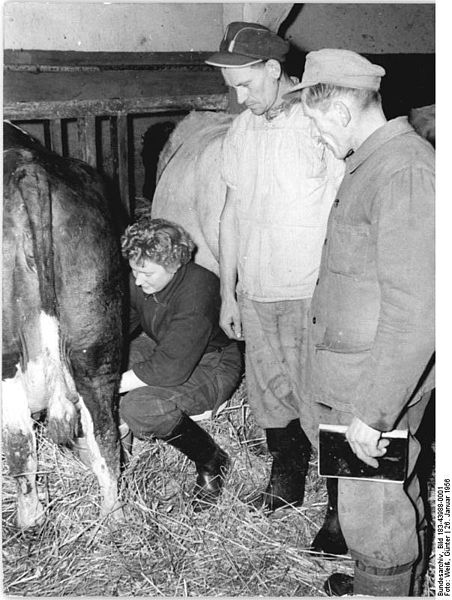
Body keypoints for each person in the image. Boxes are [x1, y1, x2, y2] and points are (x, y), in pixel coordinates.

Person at [288, 49, 435, 595]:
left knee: (372, 515)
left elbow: (419, 309)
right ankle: (394, 579)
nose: (316, 135)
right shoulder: (374, 164)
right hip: (356, 378)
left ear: (341, 114)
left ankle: (384, 585)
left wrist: (373, 413)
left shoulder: (406, 171)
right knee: (384, 498)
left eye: (314, 122)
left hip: (370, 388)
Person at [205, 21, 347, 555]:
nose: (240, 98)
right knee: (269, 399)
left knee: (326, 405)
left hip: (310, 293)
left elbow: (345, 209)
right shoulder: (242, 131)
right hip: (257, 294)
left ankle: (340, 513)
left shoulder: (316, 124)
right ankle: (286, 486)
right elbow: (231, 215)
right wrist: (228, 292)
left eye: (247, 85)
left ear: (273, 69)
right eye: (233, 89)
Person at [119, 217, 242, 511]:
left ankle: (211, 459)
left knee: (139, 407)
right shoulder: (143, 280)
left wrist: (111, 383)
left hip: (212, 362)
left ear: (174, 264)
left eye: (145, 273)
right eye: (134, 271)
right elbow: (125, 326)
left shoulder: (200, 289)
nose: (137, 281)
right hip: (164, 343)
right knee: (104, 365)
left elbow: (168, 368)